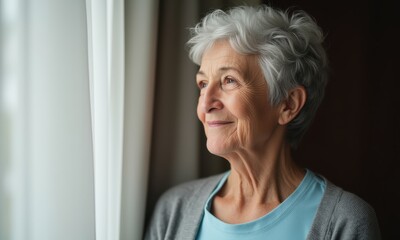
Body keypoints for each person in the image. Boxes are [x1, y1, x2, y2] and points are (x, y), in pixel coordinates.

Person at [145, 5, 381, 240]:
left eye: (229, 81)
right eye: (203, 83)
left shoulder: (346, 221)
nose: (205, 104)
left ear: (288, 104)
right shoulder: (174, 208)